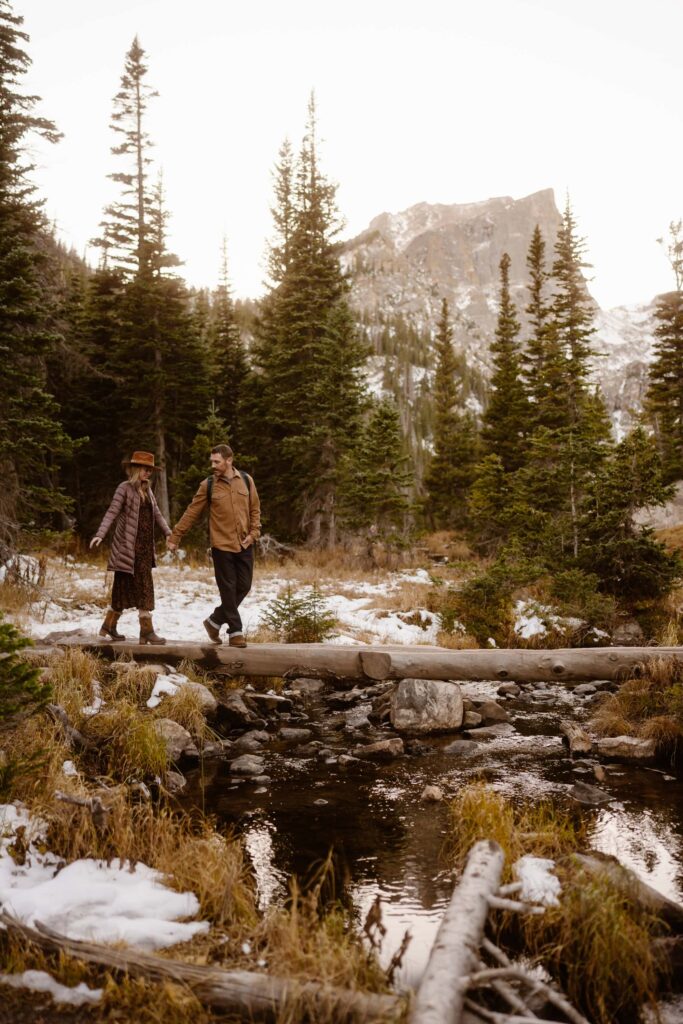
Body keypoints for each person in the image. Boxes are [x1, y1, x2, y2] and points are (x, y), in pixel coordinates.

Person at [167, 444, 261, 647]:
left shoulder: (246, 480)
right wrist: (176, 536)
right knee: (228, 588)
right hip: (221, 545)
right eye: (212, 461)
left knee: (244, 586)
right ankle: (235, 632)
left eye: (217, 461)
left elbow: (255, 509)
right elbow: (192, 512)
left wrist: (254, 534)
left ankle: (214, 621)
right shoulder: (208, 485)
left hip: (244, 544)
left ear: (229, 460)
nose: (213, 465)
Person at [90, 451, 171, 645]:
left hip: (144, 548)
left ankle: (110, 626)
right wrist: (100, 534)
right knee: (127, 588)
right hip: (128, 549)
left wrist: (169, 533)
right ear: (135, 468)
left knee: (136, 587)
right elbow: (112, 512)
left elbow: (157, 514)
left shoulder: (147, 490)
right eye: (145, 469)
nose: (148, 473)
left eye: (150, 469)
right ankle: (146, 632)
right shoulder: (124, 488)